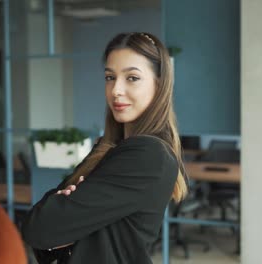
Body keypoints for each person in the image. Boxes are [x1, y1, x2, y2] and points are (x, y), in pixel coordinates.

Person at [21, 32, 188, 264]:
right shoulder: (109, 148)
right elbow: (42, 238)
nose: (116, 90)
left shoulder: (149, 155)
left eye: (132, 78)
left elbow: (40, 227)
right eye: (110, 77)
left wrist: (63, 205)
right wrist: (58, 217)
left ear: (159, 84)